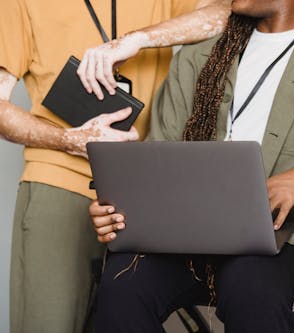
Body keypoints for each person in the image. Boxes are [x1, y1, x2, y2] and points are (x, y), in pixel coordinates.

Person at [90, 0, 294, 332]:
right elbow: (157, 159)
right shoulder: (200, 53)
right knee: (121, 287)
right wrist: (119, 210)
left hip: (285, 232)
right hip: (188, 228)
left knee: (251, 289)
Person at [0, 0, 231, 332]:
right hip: (61, 180)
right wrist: (69, 139)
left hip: (142, 189)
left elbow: (225, 13)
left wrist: (136, 40)